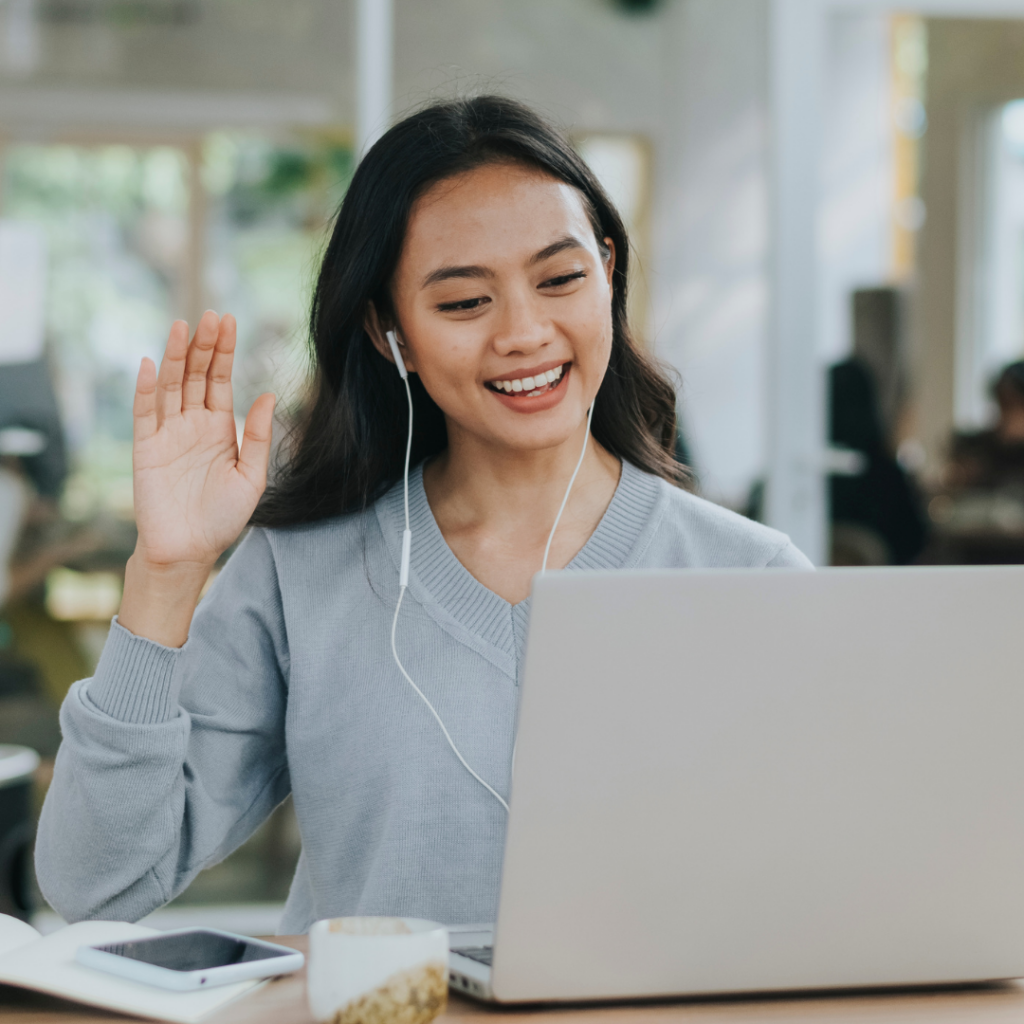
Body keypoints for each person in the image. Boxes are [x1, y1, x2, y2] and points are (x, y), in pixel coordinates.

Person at [35, 96, 811, 934]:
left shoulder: (754, 577)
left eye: (559, 279)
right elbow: (94, 883)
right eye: (464, 303)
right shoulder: (300, 574)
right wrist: (167, 573)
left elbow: (832, 881)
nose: (524, 333)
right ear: (387, 330)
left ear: (608, 272)